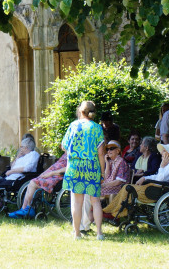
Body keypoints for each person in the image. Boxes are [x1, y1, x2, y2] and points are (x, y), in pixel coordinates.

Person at [102, 142, 169, 220]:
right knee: (127, 188)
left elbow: (160, 178)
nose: (161, 153)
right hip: (156, 187)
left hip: (158, 190)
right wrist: (144, 178)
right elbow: (158, 176)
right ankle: (112, 211)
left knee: (128, 188)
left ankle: (113, 213)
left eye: (164, 151)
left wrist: (162, 166)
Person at [61, 101, 106, 240]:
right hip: (92, 167)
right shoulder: (97, 128)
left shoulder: (73, 126)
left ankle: (77, 233)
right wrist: (102, 172)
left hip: (75, 167)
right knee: (95, 201)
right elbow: (101, 153)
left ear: (81, 111)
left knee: (77, 202)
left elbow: (64, 146)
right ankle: (99, 233)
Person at [11, 153, 68, 218]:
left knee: (33, 183)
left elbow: (67, 168)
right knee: (31, 182)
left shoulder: (72, 154)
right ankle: (24, 209)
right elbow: (54, 166)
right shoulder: (65, 154)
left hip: (58, 178)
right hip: (51, 176)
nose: (62, 146)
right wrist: (44, 173)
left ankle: (29, 208)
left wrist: (50, 173)